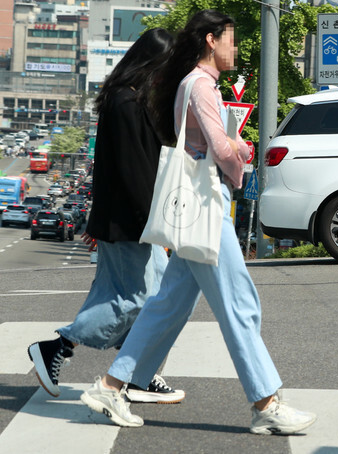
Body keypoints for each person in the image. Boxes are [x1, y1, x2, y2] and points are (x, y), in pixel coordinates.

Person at [79, 10, 317, 434]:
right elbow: (220, 150)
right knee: (238, 303)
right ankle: (266, 403)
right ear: (210, 40)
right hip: (206, 204)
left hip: (197, 205)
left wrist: (229, 146)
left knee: (167, 306)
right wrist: (242, 151)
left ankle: (110, 386)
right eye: (231, 40)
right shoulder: (201, 85)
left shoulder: (189, 82)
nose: (236, 49)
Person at [27, 28, 185, 405]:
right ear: (154, 63)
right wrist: (156, 222)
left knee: (138, 296)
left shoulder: (130, 99)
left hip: (125, 218)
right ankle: (57, 347)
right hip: (132, 220)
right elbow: (132, 170)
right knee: (142, 299)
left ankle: (139, 374)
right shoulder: (126, 103)